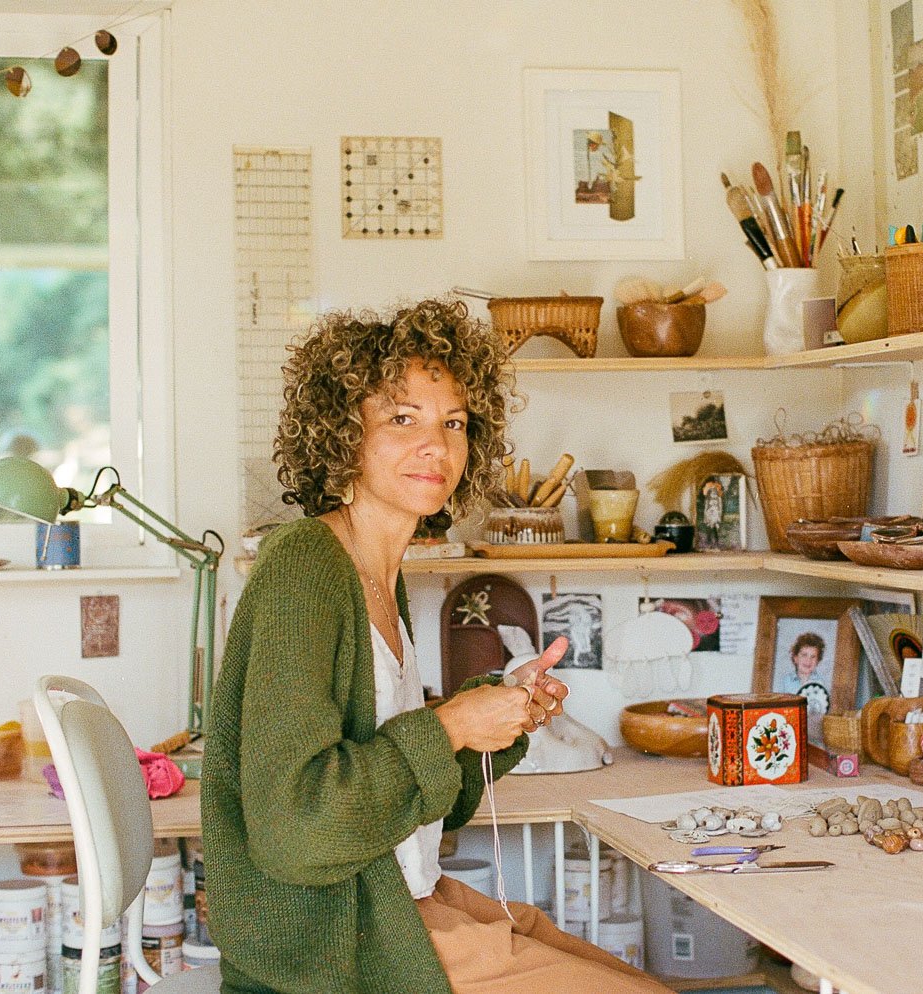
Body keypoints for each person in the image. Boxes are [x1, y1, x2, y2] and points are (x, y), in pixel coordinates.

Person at [203, 299, 671, 994]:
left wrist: (498, 717)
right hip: (342, 947)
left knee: (628, 977)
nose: (438, 445)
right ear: (342, 434)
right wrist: (453, 724)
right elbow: (298, 829)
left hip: (400, 902)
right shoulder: (305, 566)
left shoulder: (382, 577)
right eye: (402, 419)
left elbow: (413, 803)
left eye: (453, 422)